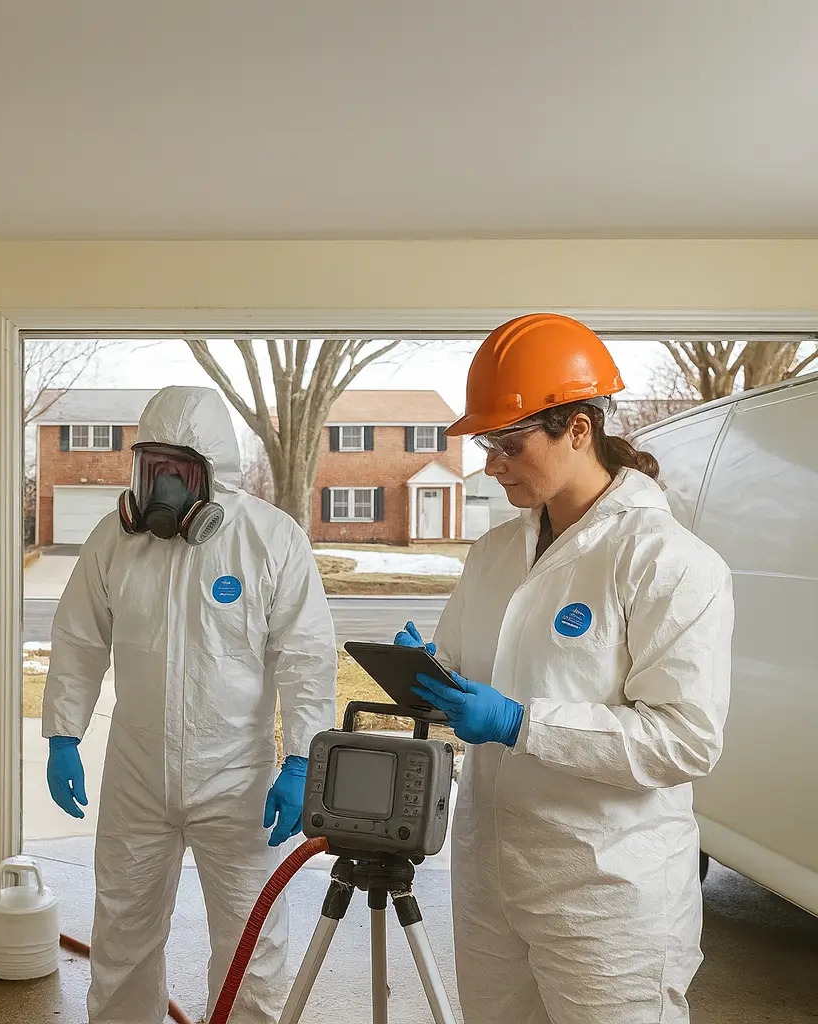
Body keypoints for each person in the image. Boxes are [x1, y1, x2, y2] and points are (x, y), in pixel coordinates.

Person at [398, 313, 734, 1024]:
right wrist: (427, 676)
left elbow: (686, 739)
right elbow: (461, 670)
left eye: (510, 444)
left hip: (607, 894)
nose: (492, 464)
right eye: (489, 444)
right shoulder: (493, 554)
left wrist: (523, 722)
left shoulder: (666, 562)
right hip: (490, 878)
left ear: (578, 430)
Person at [42, 385, 338, 1024]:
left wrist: (301, 760)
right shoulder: (114, 542)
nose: (163, 487)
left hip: (240, 782)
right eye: (153, 469)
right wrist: (62, 734)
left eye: (178, 471)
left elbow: (307, 660)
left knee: (252, 945)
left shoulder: (269, 540)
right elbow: (77, 637)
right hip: (137, 775)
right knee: (122, 935)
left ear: (213, 474)